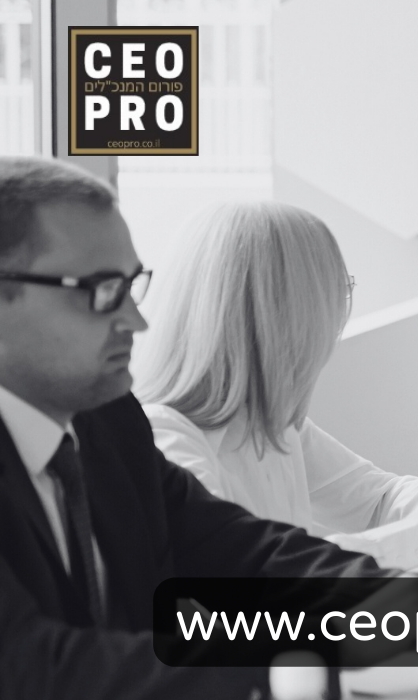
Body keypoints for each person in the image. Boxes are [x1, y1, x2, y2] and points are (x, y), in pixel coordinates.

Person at [0, 157, 393, 698]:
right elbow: (37, 668)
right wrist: (281, 666)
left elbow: (241, 549)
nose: (136, 321)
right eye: (102, 291)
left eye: (132, 286)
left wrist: (389, 599)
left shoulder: (107, 420)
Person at [135, 201, 418, 570]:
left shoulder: (271, 421)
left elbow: (377, 500)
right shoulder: (164, 442)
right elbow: (267, 576)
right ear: (287, 314)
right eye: (335, 293)